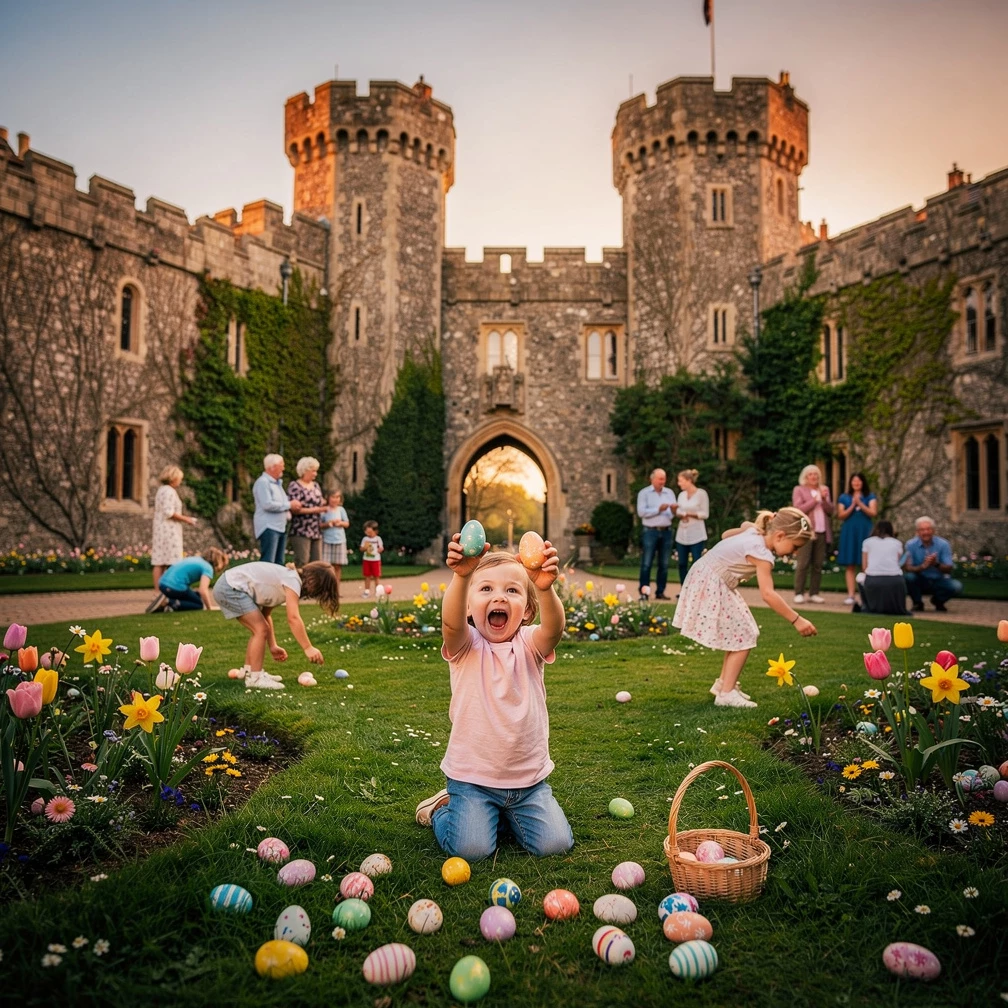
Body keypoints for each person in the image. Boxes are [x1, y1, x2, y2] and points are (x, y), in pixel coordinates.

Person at [413, 538, 573, 862]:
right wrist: (461, 577)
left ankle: (498, 818)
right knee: (470, 850)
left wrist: (544, 588)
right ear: (469, 608)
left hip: (528, 782)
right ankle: (442, 810)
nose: (499, 596)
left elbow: (554, 629)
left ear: (527, 611)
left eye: (512, 591)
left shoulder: (529, 644)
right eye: (485, 589)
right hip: (473, 779)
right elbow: (450, 623)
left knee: (556, 844)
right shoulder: (465, 646)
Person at [672, 507, 817, 709]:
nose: (795, 552)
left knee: (743, 633)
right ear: (780, 535)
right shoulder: (762, 554)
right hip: (713, 581)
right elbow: (768, 594)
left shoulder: (754, 535)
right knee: (745, 634)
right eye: (794, 546)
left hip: (709, 577)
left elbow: (725, 535)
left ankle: (723, 684)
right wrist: (797, 619)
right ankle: (726, 694)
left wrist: (748, 528)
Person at [211, 559, 338, 690]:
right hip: (230, 588)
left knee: (259, 629)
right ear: (313, 582)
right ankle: (255, 678)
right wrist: (308, 647)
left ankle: (248, 671)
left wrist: (273, 645)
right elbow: (293, 618)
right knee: (260, 629)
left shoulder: (287, 579)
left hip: (228, 585)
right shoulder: (293, 581)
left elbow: (266, 615)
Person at [150, 465, 196, 605]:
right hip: (168, 531)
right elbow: (169, 513)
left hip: (160, 529)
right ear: (174, 478)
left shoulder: (161, 490)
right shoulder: (169, 491)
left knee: (160, 561)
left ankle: (158, 591)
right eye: (179, 479)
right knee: (171, 561)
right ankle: (166, 590)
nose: (180, 481)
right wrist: (187, 519)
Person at [791, 464, 834, 604]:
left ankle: (814, 593)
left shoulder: (824, 490)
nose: (814, 477)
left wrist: (824, 499)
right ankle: (799, 592)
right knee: (803, 563)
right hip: (806, 531)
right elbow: (799, 509)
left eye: (816, 474)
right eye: (811, 474)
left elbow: (830, 511)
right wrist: (815, 500)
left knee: (818, 564)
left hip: (822, 531)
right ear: (805, 477)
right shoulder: (799, 490)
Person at [902, 516, 963, 612]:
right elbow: (907, 568)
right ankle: (917, 603)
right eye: (922, 530)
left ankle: (938, 601)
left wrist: (936, 564)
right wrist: (923, 566)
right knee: (909, 577)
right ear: (917, 532)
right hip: (920, 579)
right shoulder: (910, 545)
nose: (925, 532)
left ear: (933, 530)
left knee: (957, 586)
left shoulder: (943, 544)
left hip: (939, 579)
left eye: (928, 529)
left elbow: (949, 567)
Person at [835, 473, 878, 605]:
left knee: (866, 564)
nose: (856, 483)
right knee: (850, 564)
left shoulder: (870, 496)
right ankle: (851, 595)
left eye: (859, 481)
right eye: (854, 481)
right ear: (851, 483)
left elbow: (873, 513)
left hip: (865, 531)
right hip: (850, 531)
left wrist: (860, 503)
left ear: (863, 482)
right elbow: (841, 515)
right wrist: (853, 505)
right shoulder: (844, 497)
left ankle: (867, 595)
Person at [636, 468, 678, 600]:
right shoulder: (644, 493)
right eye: (660, 479)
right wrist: (658, 509)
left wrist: (674, 510)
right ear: (652, 479)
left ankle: (660, 592)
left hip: (666, 531)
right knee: (647, 563)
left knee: (664, 564)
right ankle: (644, 592)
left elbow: (672, 515)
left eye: (664, 479)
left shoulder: (669, 493)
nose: (662, 481)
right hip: (650, 531)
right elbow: (641, 512)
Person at [853, 520, 906, 615]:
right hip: (895, 579)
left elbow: (864, 567)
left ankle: (866, 605)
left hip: (874, 579)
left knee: (860, 577)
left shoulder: (867, 542)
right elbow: (896, 563)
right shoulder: (897, 543)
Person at [154, 548, 229, 612]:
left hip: (162, 583)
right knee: (198, 605)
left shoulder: (197, 559)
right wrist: (209, 607)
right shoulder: (208, 568)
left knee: (196, 596)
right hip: (174, 587)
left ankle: (169, 602)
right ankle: (169, 603)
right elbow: (203, 590)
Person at [674, 468, 709, 592]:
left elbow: (705, 514)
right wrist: (680, 514)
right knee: (682, 564)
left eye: (681, 481)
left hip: (697, 534)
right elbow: (678, 510)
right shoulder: (681, 495)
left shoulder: (701, 494)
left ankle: (697, 589)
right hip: (682, 534)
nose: (679, 484)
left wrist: (689, 514)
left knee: (696, 563)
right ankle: (685, 589)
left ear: (689, 480)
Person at [287, 456, 327, 566]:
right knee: (302, 561)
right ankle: (300, 583)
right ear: (305, 470)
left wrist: (324, 504)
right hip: (301, 529)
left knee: (317, 563)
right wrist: (315, 510)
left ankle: (314, 583)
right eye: (313, 471)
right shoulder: (295, 486)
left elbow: (319, 501)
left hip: (316, 529)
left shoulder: (316, 486)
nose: (315, 474)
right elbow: (294, 509)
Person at [253, 454, 290, 565]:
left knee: (279, 562)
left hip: (280, 527)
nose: (283, 468)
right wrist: (289, 505)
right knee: (268, 562)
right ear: (272, 467)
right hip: (269, 527)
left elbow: (280, 503)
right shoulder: (263, 482)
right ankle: (265, 583)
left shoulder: (277, 484)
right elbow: (267, 504)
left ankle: (275, 583)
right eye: (281, 465)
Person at [320, 489, 349, 587]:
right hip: (327, 540)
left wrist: (340, 523)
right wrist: (328, 524)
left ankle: (336, 588)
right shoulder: (324, 510)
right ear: (328, 498)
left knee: (337, 565)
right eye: (333, 497)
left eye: (337, 497)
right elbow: (320, 525)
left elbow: (347, 523)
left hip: (339, 540)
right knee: (327, 566)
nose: (335, 499)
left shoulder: (341, 510)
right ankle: (327, 588)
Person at [360, 520, 383, 598]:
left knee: (376, 576)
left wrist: (380, 549)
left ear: (375, 531)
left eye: (370, 532)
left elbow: (381, 548)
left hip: (375, 560)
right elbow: (361, 548)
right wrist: (364, 548)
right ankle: (367, 591)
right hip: (366, 560)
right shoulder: (365, 539)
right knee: (367, 576)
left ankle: (378, 591)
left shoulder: (378, 539)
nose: (368, 534)